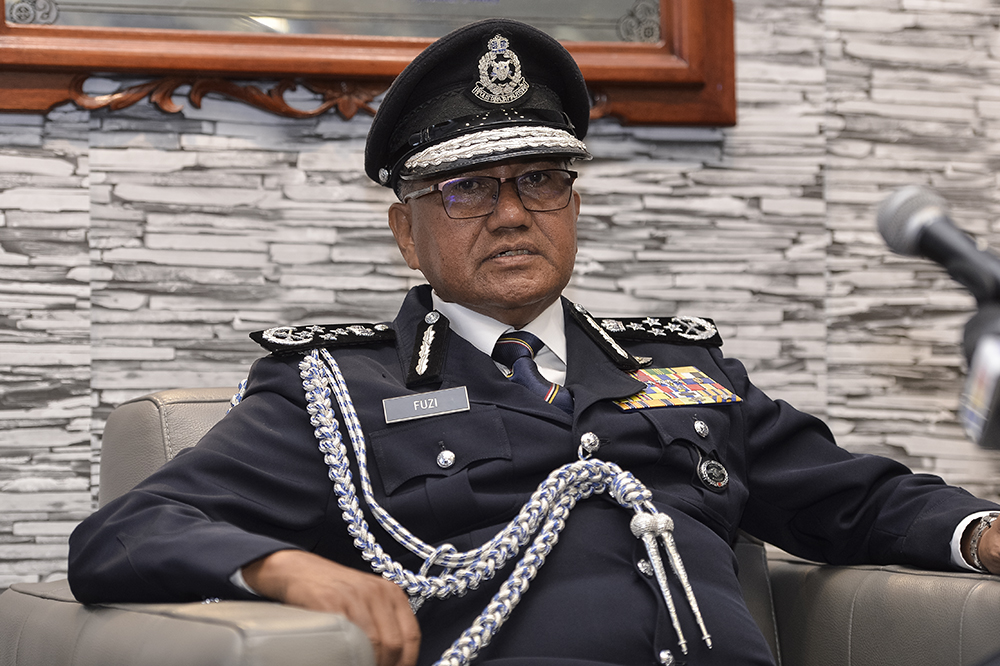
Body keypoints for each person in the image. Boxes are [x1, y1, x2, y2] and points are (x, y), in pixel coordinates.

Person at [68, 18, 1000, 666]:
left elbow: (858, 500)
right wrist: (287, 566)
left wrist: (980, 531)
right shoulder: (338, 395)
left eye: (540, 181)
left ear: (575, 206)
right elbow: (124, 536)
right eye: (468, 190)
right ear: (407, 233)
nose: (512, 214)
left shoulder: (682, 373)